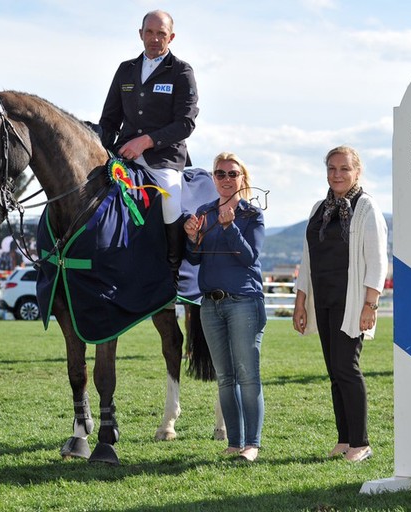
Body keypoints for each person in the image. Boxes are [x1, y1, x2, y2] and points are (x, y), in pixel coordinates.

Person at [292, 145, 388, 462]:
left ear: (357, 172)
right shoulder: (320, 208)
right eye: (332, 168)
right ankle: (345, 439)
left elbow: (377, 261)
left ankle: (361, 443)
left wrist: (369, 305)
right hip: (324, 299)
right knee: (334, 371)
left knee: (347, 368)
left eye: (344, 169)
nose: (337, 174)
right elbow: (308, 259)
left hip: (352, 302)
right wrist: (300, 302)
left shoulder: (365, 207)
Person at [99, 9, 199, 287]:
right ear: (140, 34)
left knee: (170, 201)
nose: (155, 39)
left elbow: (186, 123)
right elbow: (109, 120)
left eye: (161, 34)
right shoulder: (125, 70)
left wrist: (146, 141)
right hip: (124, 159)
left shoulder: (181, 71)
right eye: (150, 32)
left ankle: (172, 268)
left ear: (171, 37)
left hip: (164, 159)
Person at [183, 152, 266, 462]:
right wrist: (192, 238)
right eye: (220, 174)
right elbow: (194, 260)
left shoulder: (251, 216)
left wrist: (230, 227)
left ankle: (252, 444)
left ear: (242, 179)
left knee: (248, 376)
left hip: (244, 302)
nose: (226, 179)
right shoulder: (204, 212)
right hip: (210, 306)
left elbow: (248, 257)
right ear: (214, 179)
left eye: (233, 174)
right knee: (225, 377)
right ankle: (234, 442)